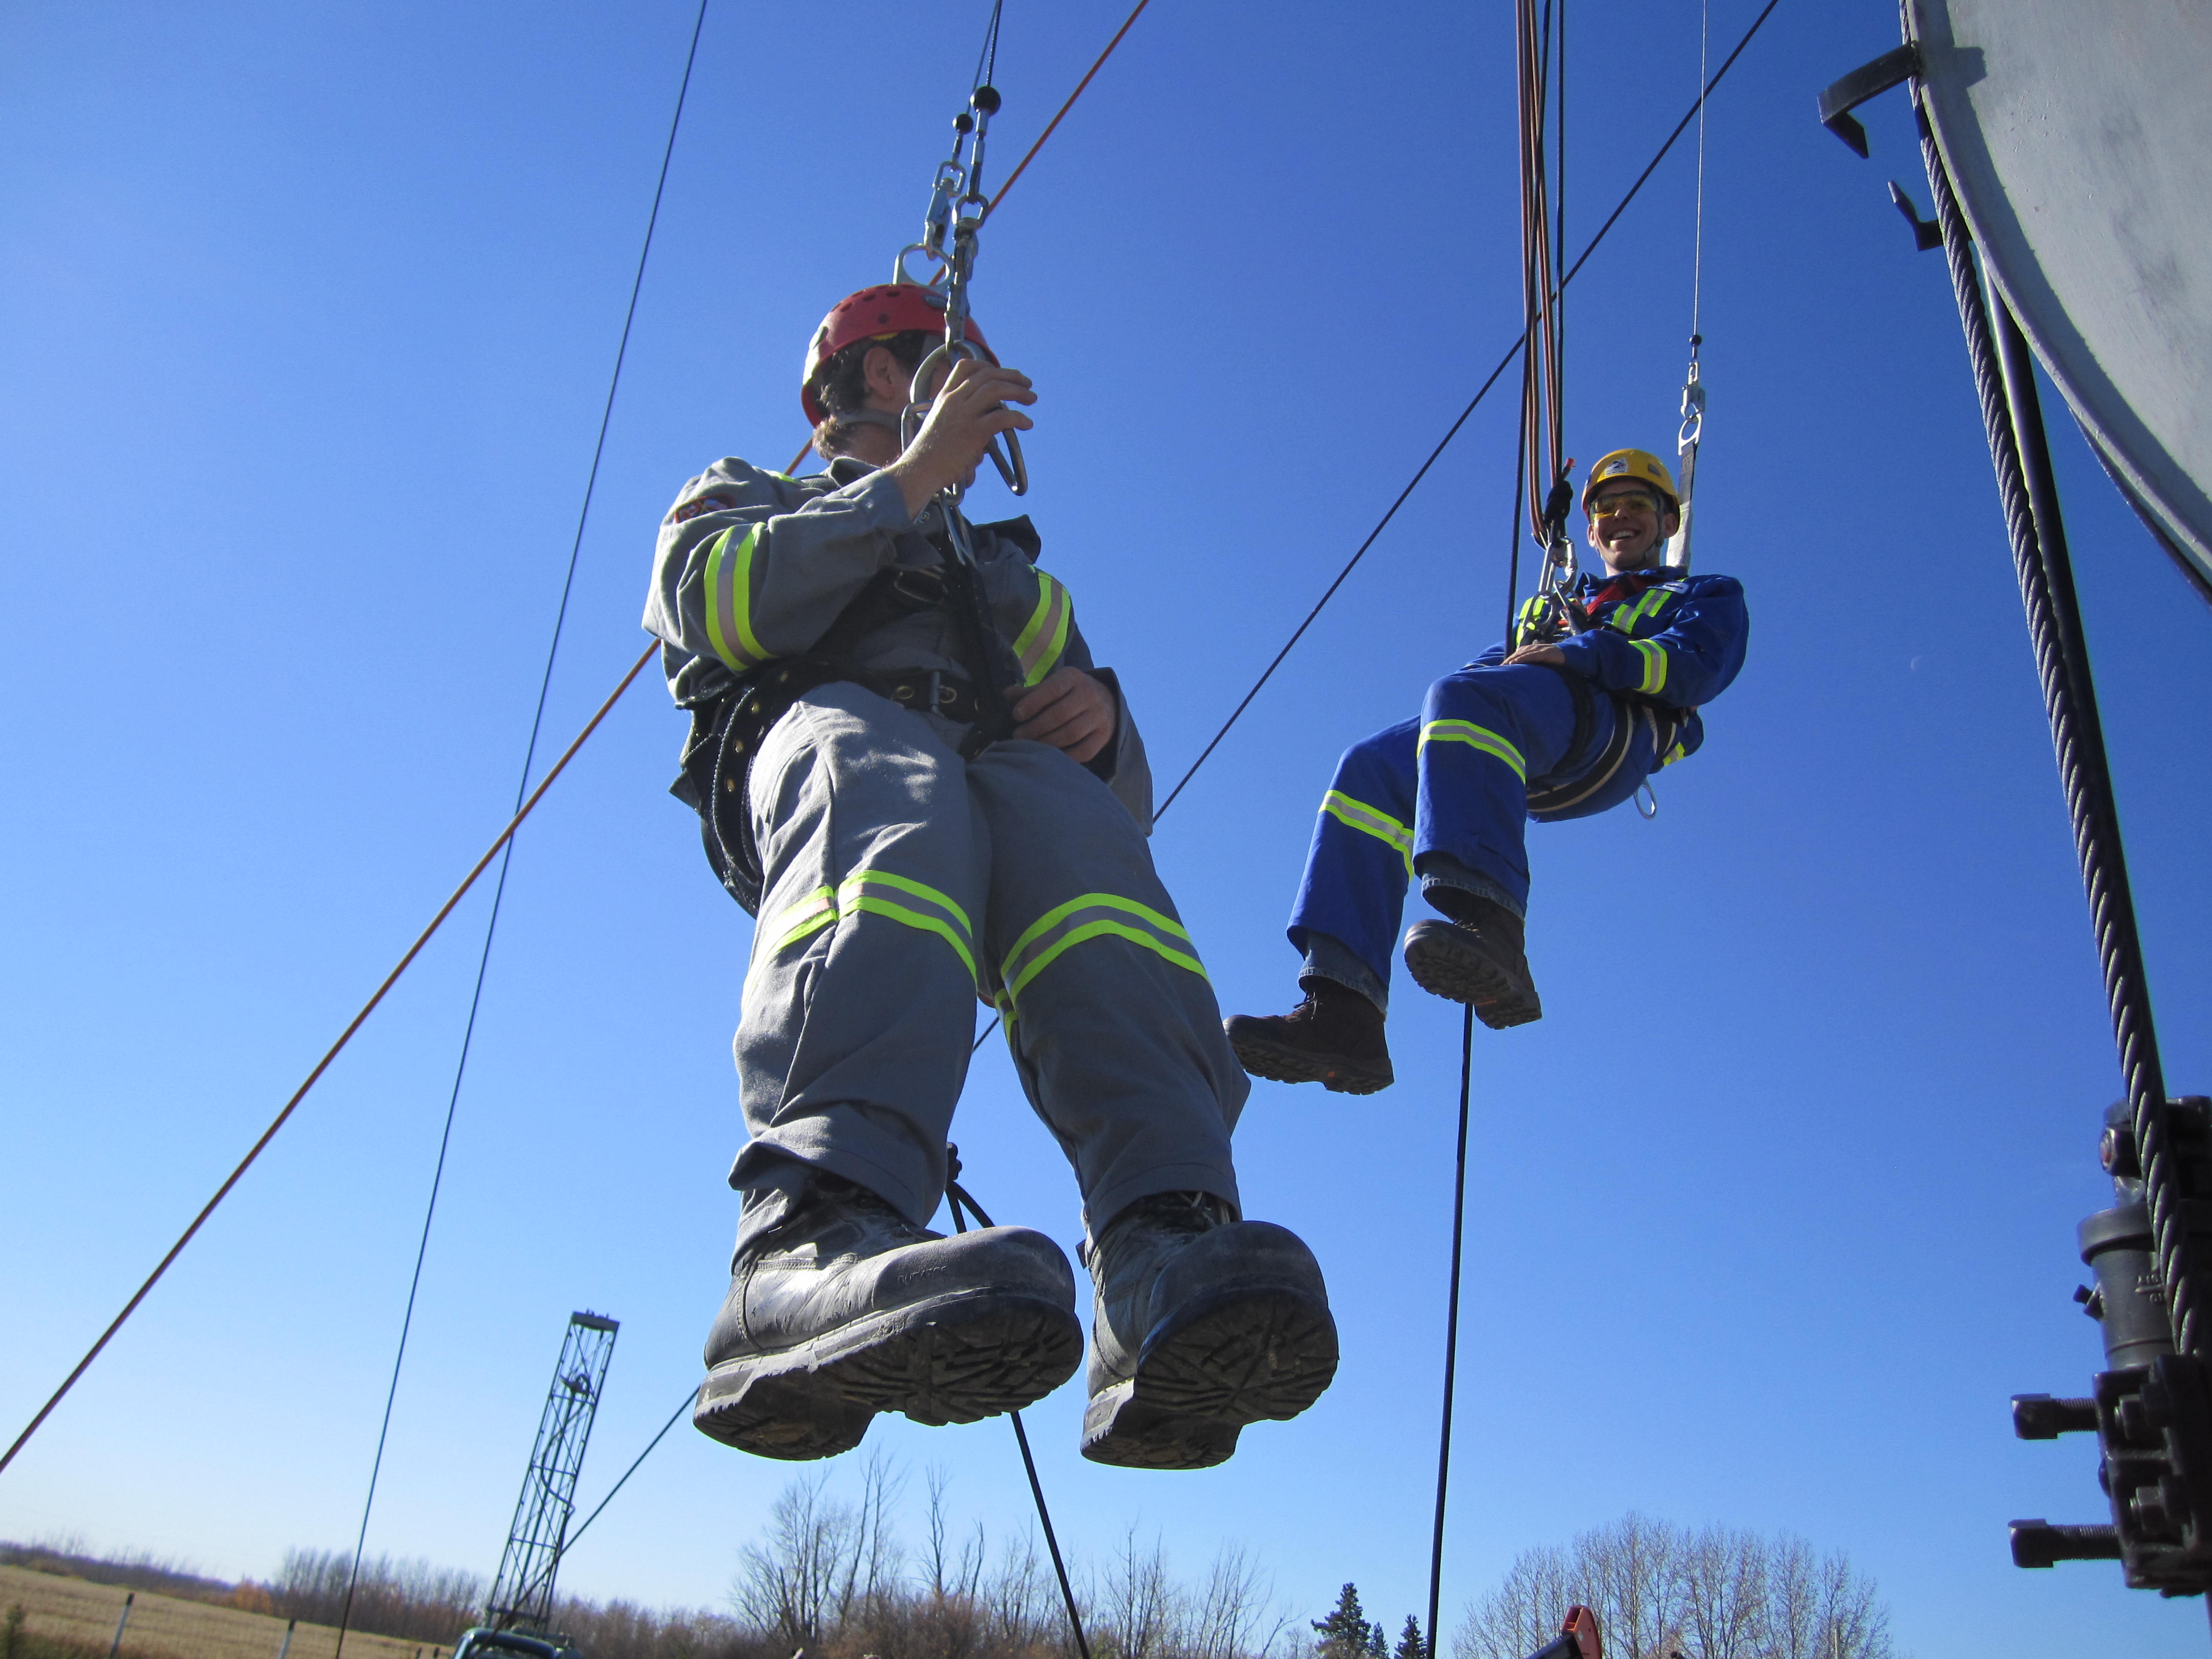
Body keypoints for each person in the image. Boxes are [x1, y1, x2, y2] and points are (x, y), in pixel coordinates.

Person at [643, 284, 1337, 1470]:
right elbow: (714, 601)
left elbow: (1123, 804)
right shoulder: (748, 493)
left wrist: (1106, 723)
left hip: (989, 777)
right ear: (869, 378)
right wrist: (905, 483)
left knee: (1081, 844)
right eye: (940, 364)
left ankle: (1157, 1240)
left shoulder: (1009, 583)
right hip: (833, 744)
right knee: (892, 777)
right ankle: (810, 1227)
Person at [1224, 449, 1748, 1093]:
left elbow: (1696, 664)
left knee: (1464, 695)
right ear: (1588, 531)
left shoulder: (1701, 596)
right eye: (1606, 509)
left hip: (1613, 732)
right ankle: (1345, 1010)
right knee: (1370, 767)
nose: (1620, 518)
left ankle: (1494, 928)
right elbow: (1482, 678)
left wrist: (1582, 654)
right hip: (1529, 737)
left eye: (1638, 505)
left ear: (1668, 521)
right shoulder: (1552, 604)